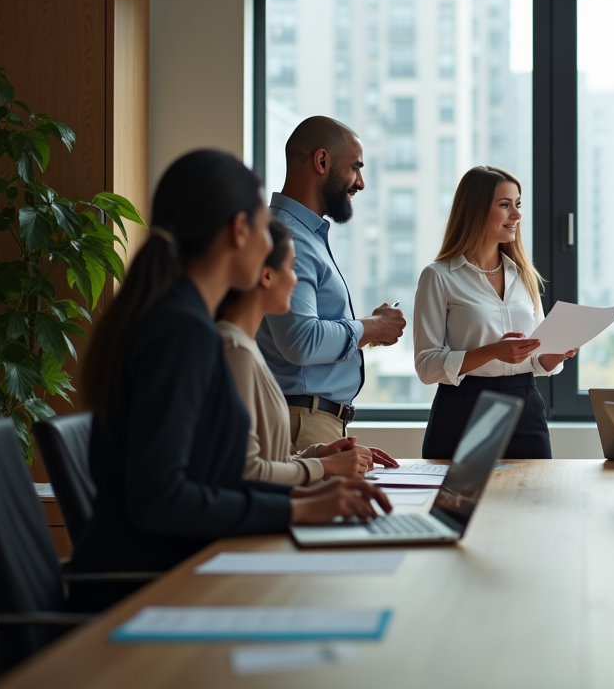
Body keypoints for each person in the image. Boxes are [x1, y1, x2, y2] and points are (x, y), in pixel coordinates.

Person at [72, 149, 390, 590]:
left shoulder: (181, 320)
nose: (275, 248)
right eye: (265, 228)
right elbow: (162, 499)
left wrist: (312, 482)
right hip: (150, 589)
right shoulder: (182, 332)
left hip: (180, 568)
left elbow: (214, 475)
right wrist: (299, 508)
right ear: (240, 232)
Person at [257, 116, 407, 451]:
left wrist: (367, 329)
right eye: (355, 168)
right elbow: (301, 341)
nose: (361, 183)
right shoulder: (291, 237)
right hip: (302, 422)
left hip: (309, 422)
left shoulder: (297, 234)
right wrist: (370, 328)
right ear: (322, 161)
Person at [217, 218, 401, 485]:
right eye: (292, 268)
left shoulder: (248, 352)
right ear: (266, 275)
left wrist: (321, 454)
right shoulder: (236, 352)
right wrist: (323, 466)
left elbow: (269, 459)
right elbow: (248, 472)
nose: (297, 282)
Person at [414, 166, 576, 459]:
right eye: (505, 205)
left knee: (532, 500)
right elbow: (426, 367)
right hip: (465, 407)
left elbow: (538, 361)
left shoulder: (524, 275)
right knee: (463, 504)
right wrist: (493, 351)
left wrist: (558, 353)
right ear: (475, 210)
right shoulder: (438, 277)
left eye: (518, 204)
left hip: (525, 406)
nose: (517, 215)